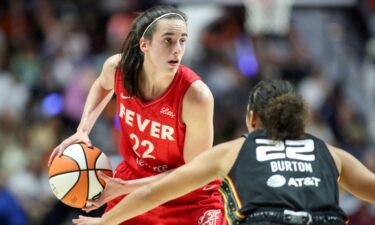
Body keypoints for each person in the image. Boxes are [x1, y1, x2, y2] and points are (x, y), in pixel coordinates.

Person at [73, 79, 375, 225]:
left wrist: (104, 222)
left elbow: (153, 193)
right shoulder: (331, 154)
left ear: (252, 119)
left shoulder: (232, 152)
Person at [48, 5, 225, 225]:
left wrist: (124, 187)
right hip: (135, 179)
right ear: (145, 44)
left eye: (182, 40)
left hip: (186, 196)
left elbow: (194, 174)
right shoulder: (118, 68)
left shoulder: (196, 96)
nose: (178, 49)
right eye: (168, 40)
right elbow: (102, 85)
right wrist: (82, 130)